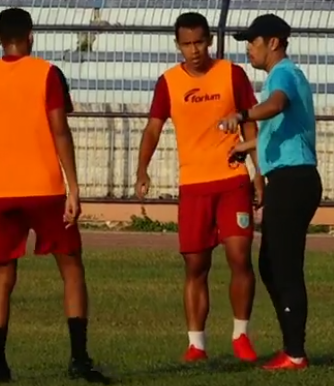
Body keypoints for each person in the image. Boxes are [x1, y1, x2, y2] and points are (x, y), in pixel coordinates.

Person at [0, 8, 111, 384]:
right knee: (71, 268)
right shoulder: (46, 72)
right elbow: (59, 130)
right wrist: (73, 187)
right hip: (45, 189)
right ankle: (78, 359)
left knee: (2, 277)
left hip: (2, 193)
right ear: (31, 35)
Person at [134, 12, 263, 362]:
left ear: (209, 41)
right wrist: (142, 168)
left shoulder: (232, 74)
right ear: (178, 45)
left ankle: (240, 335)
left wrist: (258, 172)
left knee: (240, 258)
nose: (194, 50)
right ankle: (196, 344)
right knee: (195, 266)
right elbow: (153, 128)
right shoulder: (169, 82)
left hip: (232, 181)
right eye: (187, 44)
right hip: (193, 186)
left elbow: (250, 125)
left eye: (199, 42)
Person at [221, 14, 323, 370]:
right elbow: (279, 127)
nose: (249, 48)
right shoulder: (282, 76)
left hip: (294, 180)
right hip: (290, 179)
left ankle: (295, 353)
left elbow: (277, 105)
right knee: (271, 264)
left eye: (254, 41)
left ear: (274, 43)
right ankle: (291, 348)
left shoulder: (283, 74)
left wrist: (242, 114)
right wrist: (246, 145)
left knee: (284, 266)